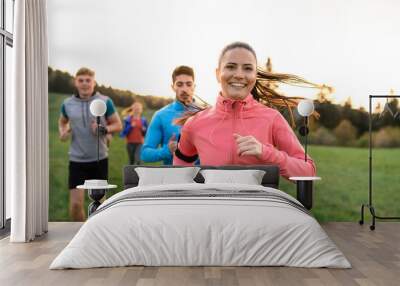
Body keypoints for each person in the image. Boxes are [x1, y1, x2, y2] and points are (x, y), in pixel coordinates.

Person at [173, 42, 317, 179]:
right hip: (212, 204)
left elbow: (308, 171)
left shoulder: (272, 119)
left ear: (255, 76)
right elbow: (181, 164)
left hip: (258, 205)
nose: (239, 75)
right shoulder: (194, 124)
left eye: (248, 68)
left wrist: (266, 152)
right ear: (218, 74)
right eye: (231, 67)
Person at [59, 67, 122, 221]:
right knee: (75, 205)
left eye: (88, 80)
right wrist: (63, 131)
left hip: (99, 159)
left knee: (101, 205)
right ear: (76, 82)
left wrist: (104, 129)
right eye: (81, 80)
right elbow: (62, 121)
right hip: (76, 161)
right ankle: (82, 234)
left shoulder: (105, 101)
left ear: (94, 82)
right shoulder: (67, 104)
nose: (85, 83)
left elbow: (118, 125)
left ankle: (98, 236)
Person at [140, 65, 196, 165]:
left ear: (194, 86)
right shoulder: (160, 116)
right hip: (171, 177)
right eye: (179, 84)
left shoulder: (205, 114)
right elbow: (145, 154)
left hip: (202, 178)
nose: (184, 89)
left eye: (188, 84)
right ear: (173, 87)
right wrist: (167, 151)